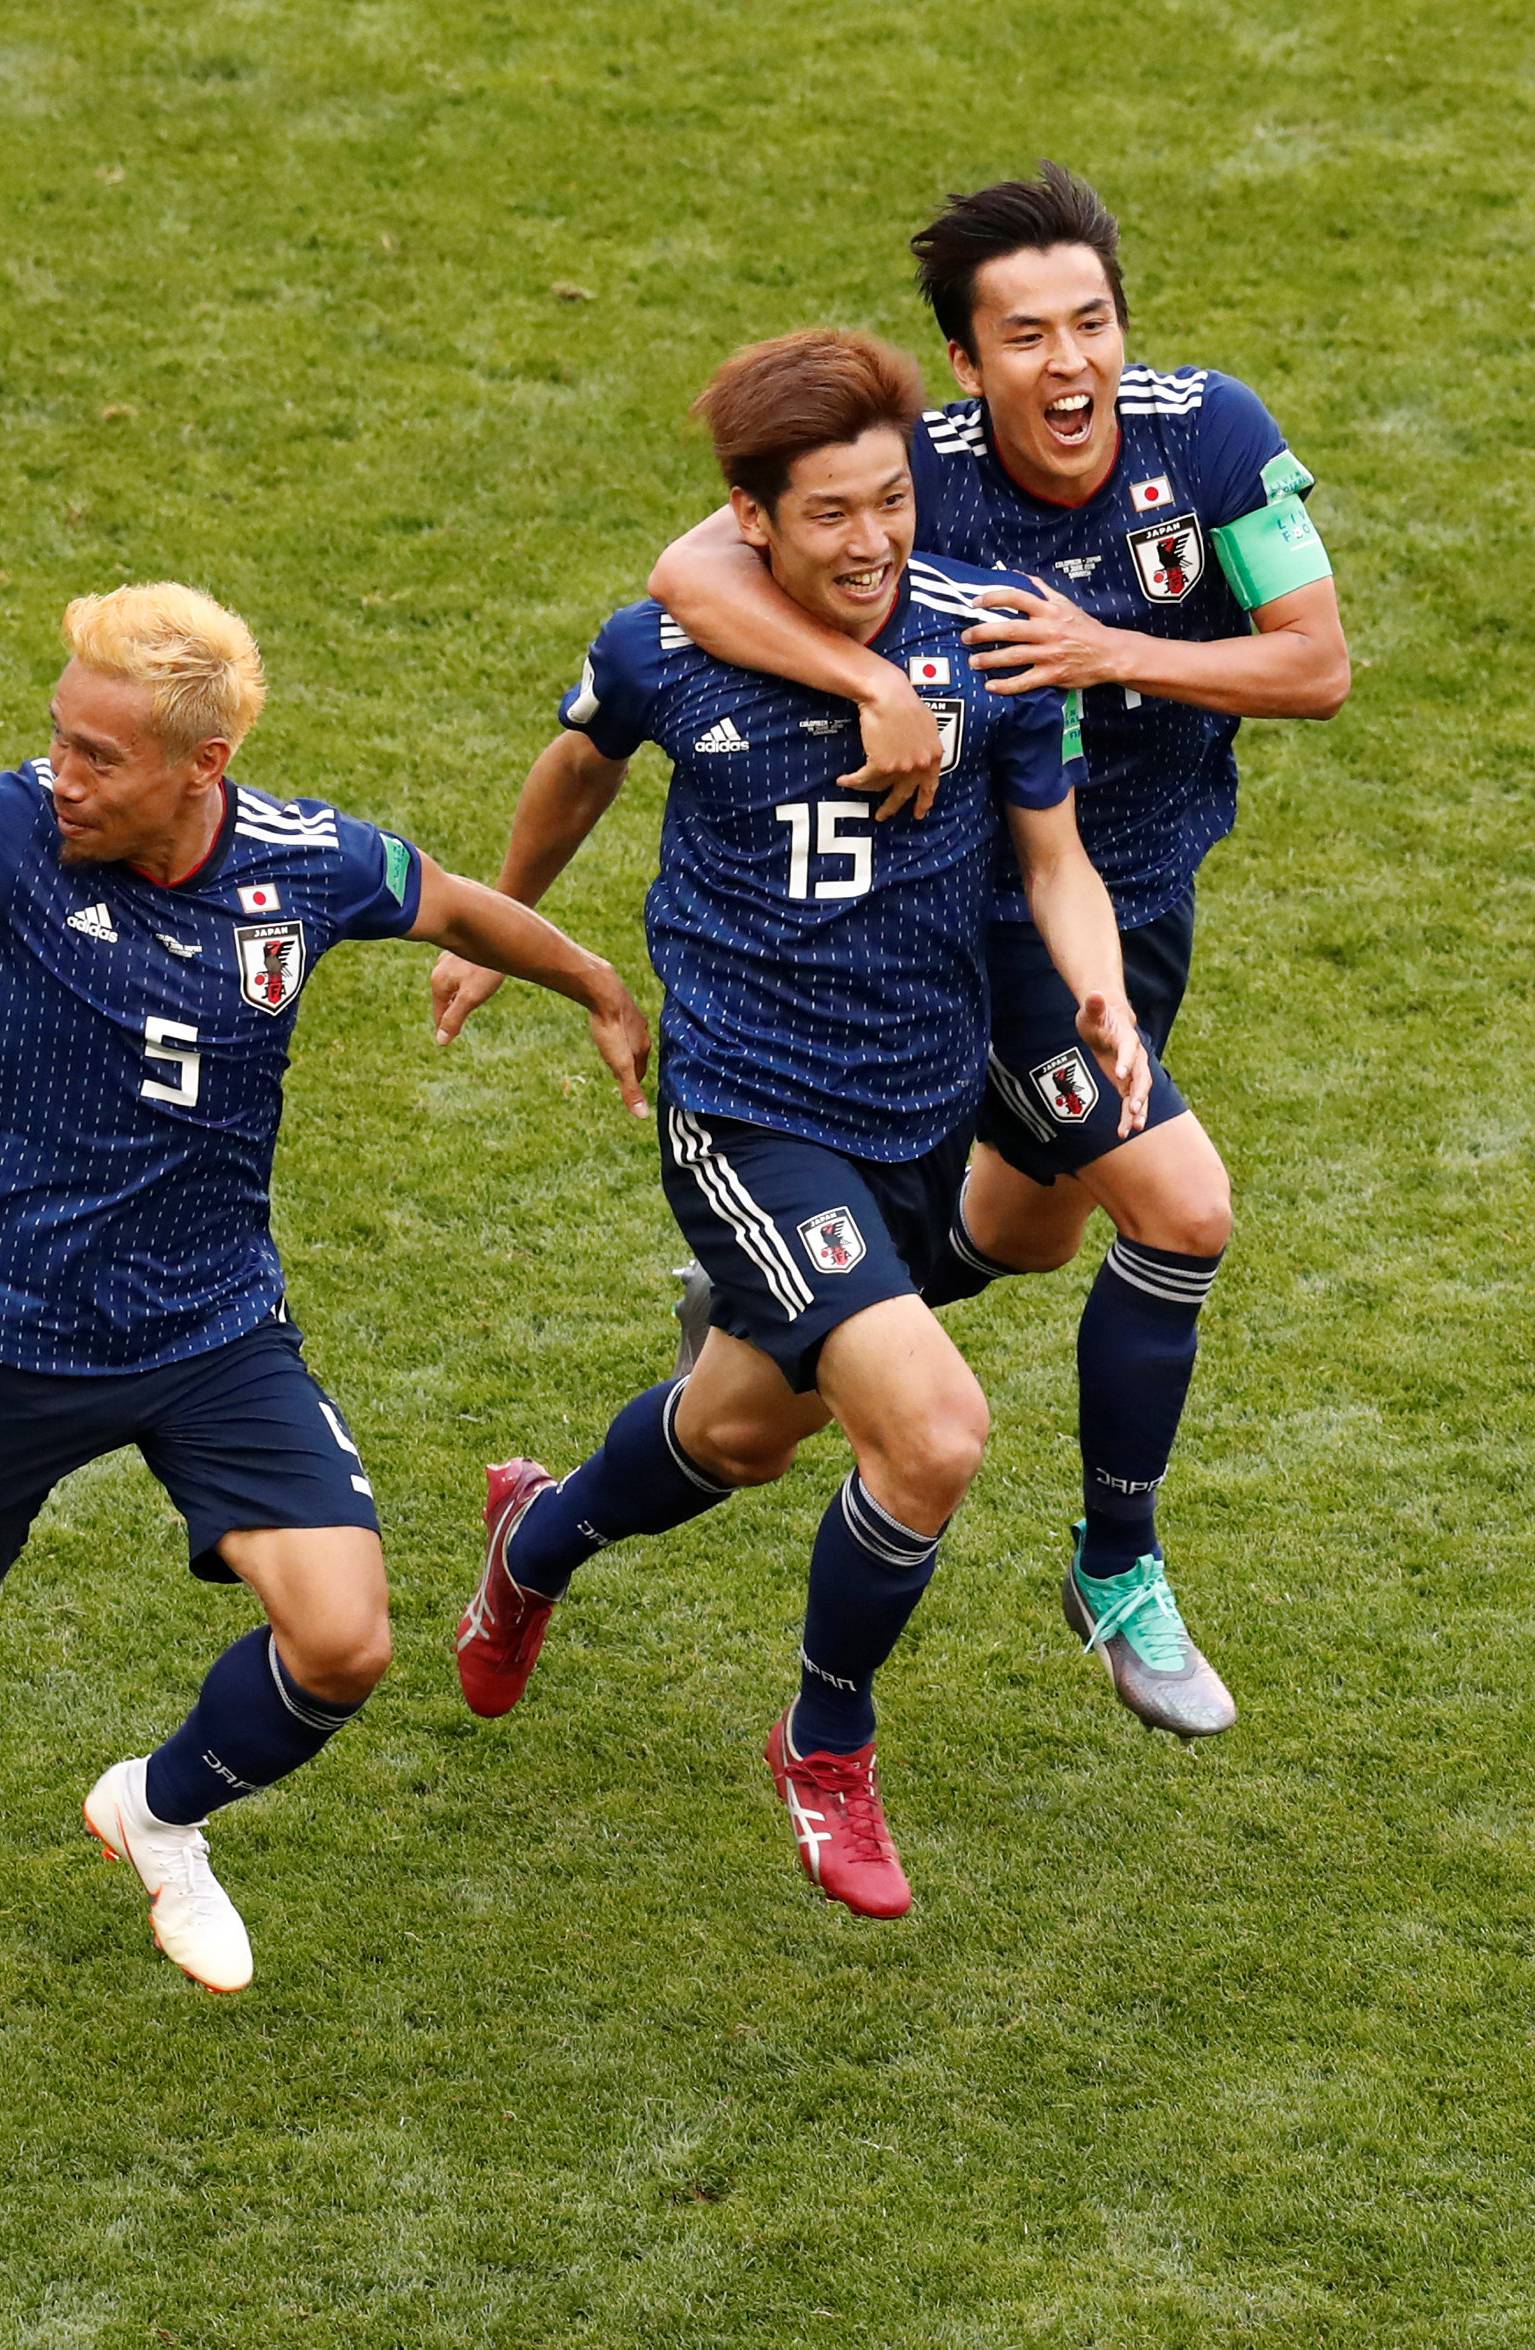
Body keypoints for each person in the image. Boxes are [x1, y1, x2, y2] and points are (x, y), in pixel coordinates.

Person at [433, 329, 1145, 1918]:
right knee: (936, 1430)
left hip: (912, 1107)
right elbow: (576, 768)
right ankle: (826, 1742)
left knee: (744, 1430)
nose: (873, 541)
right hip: (749, 1110)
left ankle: (532, 1541)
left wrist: (1095, 988)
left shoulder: (983, 644)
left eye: (893, 501)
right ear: (749, 520)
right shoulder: (669, 647)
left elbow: (1053, 858)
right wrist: (503, 924)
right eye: (830, 513)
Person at [649, 163, 1351, 1740]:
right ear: (967, 365)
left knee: (1028, 1233)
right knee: (1180, 1207)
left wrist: (1114, 651)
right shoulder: (925, 471)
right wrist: (866, 678)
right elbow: (688, 573)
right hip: (968, 918)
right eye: (1026, 335)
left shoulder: (1209, 434)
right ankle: (1119, 1567)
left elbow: (1317, 664)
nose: (1071, 363)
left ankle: (764, 1312)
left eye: (1091, 322)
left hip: (1132, 901)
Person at [0, 582, 651, 1992]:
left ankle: (162, 1815)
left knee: (346, 1640)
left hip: (210, 1327)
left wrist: (595, 980)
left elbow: (457, 904)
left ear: (202, 767)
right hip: (15, 1325)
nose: (64, 774)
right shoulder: (14, 835)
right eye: (60, 738)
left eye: (98, 756)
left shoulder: (304, 865)